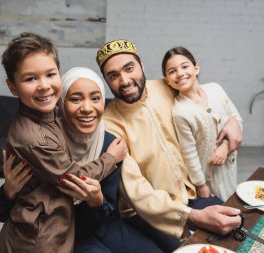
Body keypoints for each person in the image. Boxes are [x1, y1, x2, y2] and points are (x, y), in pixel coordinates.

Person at [0, 67, 162, 253]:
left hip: (104, 224)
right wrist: (8, 192)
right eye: (75, 99)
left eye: (95, 98)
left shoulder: (109, 145)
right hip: (61, 234)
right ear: (61, 103)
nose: (87, 108)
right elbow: (1, 214)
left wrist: (96, 201)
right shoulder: (45, 146)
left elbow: (109, 213)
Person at [95, 39, 243, 251]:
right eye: (113, 75)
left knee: (240, 227)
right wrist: (193, 217)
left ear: (142, 65)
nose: (125, 80)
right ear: (107, 81)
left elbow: (205, 102)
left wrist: (233, 123)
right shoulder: (109, 125)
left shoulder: (165, 87)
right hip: (150, 211)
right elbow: (135, 189)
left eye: (129, 68)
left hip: (192, 192)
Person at [0, 33, 127, 253]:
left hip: (59, 227)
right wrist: (111, 158)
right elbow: (72, 179)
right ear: (13, 87)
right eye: (30, 78)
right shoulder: (33, 137)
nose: (44, 86)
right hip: (39, 237)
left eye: (50, 74)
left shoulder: (54, 115)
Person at [162, 46, 242, 201]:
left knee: (233, 201)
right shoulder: (181, 111)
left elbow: (237, 121)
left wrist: (225, 146)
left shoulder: (215, 89)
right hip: (208, 175)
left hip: (229, 163)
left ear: (196, 68)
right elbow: (189, 153)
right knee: (220, 210)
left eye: (184, 66)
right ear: (167, 80)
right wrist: (201, 185)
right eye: (172, 71)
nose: (180, 74)